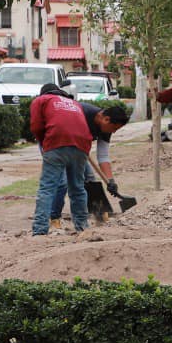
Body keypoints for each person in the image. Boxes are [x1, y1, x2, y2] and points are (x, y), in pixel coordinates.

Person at [47, 102, 130, 224]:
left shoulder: (106, 129)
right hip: (55, 142)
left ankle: (99, 213)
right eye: (114, 128)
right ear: (106, 119)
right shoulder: (81, 113)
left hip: (77, 148)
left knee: (89, 177)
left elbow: (103, 156)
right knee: (62, 181)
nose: (114, 132)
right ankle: (53, 218)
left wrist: (110, 180)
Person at [29, 83, 94, 235]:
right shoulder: (74, 103)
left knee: (47, 188)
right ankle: (82, 227)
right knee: (77, 188)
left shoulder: (41, 100)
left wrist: (44, 144)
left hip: (56, 142)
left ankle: (39, 230)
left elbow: (36, 126)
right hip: (82, 145)